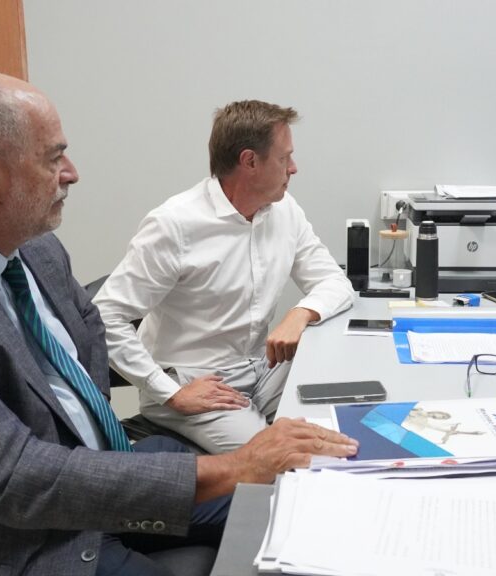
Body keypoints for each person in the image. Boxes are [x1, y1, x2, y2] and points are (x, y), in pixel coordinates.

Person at [0, 70, 357, 576]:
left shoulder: (35, 250)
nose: (72, 173)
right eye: (54, 158)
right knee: (251, 489)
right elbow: (14, 479)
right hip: (13, 542)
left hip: (92, 475)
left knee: (288, 507)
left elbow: (91, 346)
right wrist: (230, 463)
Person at [93, 100, 354, 454]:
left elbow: (335, 283)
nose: (294, 168)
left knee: (341, 412)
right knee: (278, 458)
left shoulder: (285, 211)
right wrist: (170, 393)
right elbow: (105, 316)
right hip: (196, 382)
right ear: (250, 162)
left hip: (261, 370)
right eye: (284, 158)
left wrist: (300, 313)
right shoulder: (175, 225)